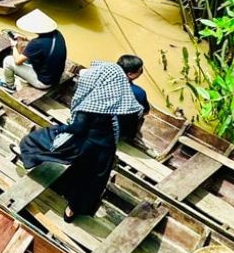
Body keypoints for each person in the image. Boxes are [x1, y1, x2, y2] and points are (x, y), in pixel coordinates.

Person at [17, 58, 143, 220]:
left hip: (82, 144)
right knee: (92, 182)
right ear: (129, 76)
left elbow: (77, 128)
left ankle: (33, 162)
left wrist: (59, 129)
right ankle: (72, 211)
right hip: (105, 148)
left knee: (36, 140)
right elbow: (130, 129)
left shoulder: (91, 101)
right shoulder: (129, 101)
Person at [0, 9, 67, 92]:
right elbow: (43, 44)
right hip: (56, 77)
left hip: (43, 82)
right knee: (28, 53)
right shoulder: (57, 34)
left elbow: (17, 61)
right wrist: (26, 39)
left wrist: (14, 46)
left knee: (8, 60)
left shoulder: (36, 44)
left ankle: (9, 86)